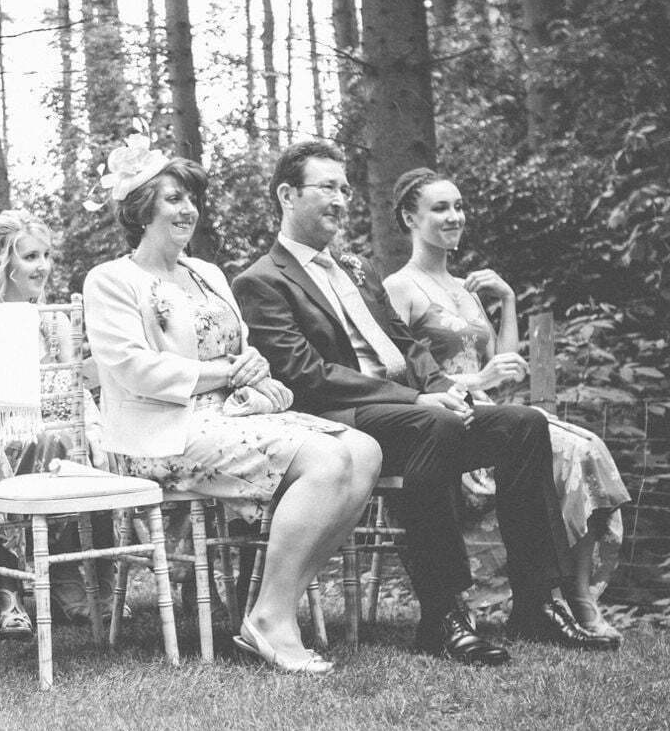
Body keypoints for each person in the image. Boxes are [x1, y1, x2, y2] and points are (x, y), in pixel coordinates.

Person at [232, 139, 619, 665]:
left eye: (345, 189)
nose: (342, 200)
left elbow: (406, 345)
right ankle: (443, 613)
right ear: (286, 195)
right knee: (430, 428)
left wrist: (444, 389)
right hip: (338, 422)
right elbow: (307, 375)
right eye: (328, 187)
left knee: (524, 424)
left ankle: (533, 601)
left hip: (408, 408)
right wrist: (418, 400)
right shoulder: (261, 281)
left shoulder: (357, 269)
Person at [84, 148, 380, 675]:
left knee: (365, 449)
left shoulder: (207, 274)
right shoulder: (111, 280)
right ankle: (269, 622)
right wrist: (224, 372)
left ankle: (274, 606)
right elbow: (133, 369)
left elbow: (243, 348)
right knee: (327, 461)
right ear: (140, 209)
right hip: (161, 430)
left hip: (232, 414)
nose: (188, 209)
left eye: (191, 198)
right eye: (174, 198)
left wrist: (250, 364)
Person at [383, 168, 631, 643]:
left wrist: (510, 302)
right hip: (449, 417)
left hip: (495, 413)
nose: (455, 216)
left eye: (458, 206)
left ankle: (574, 599)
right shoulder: (400, 287)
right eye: (440, 208)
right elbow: (402, 373)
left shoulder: (467, 288)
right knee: (569, 450)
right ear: (409, 217)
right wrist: (476, 380)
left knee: (588, 449)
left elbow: (503, 364)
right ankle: (555, 600)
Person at [0, 208, 103, 629]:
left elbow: (72, 387)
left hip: (52, 428)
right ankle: (9, 591)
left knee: (70, 441)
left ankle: (67, 573)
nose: (43, 266)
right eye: (30, 257)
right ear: (1, 261)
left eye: (46, 255)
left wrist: (93, 425)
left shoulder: (54, 320)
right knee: (26, 444)